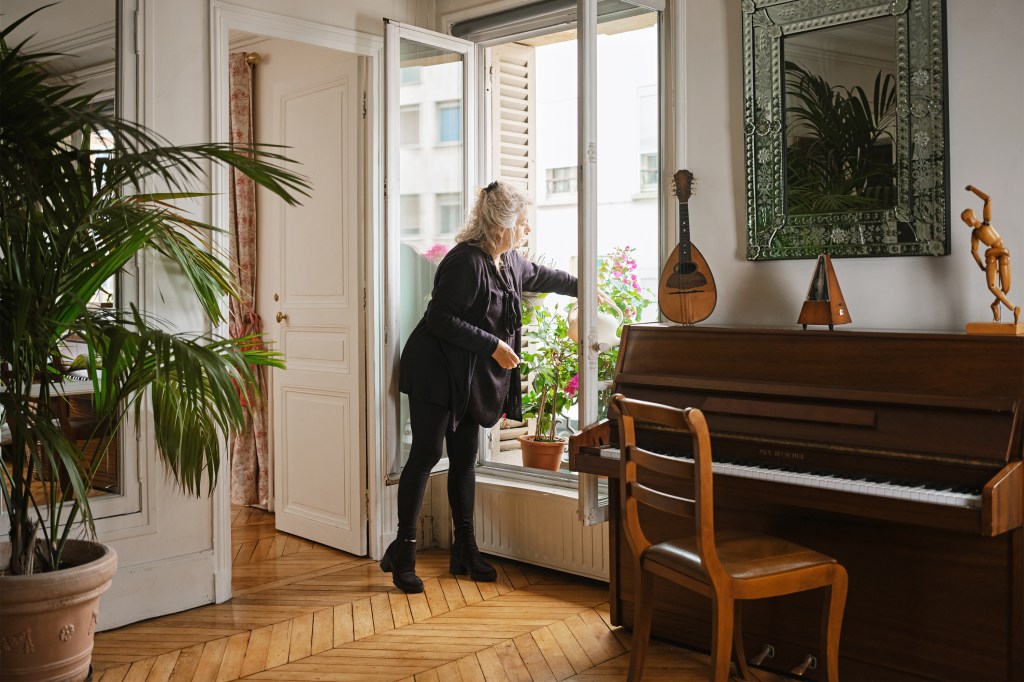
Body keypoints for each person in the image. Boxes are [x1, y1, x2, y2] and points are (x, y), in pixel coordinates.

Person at [382, 180, 583, 593]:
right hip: (436, 371)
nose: (527, 232)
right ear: (501, 225)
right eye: (523, 225)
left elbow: (545, 276)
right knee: (424, 455)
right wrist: (493, 344)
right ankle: (404, 549)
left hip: (468, 374)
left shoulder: (509, 262)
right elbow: (440, 319)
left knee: (465, 458)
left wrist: (586, 288)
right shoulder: (465, 261)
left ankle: (465, 550)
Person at [961, 185, 1020, 324]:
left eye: (967, 218)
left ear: (973, 216)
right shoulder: (974, 234)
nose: (967, 222)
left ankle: (994, 305)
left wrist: (973, 189)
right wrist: (982, 267)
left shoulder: (986, 223)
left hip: (1000, 251)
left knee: (1006, 288)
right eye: (964, 221)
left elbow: (988, 199)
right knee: (992, 286)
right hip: (991, 255)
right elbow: (974, 251)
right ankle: (1012, 308)